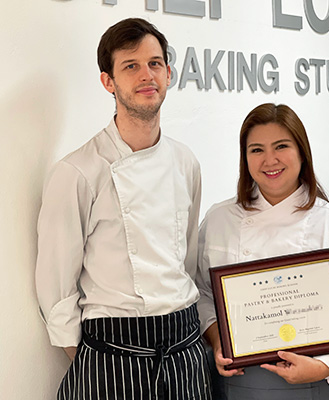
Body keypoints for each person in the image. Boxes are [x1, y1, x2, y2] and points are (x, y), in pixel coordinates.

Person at [36, 18, 211, 400]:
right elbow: (55, 286)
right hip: (113, 353)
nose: (146, 75)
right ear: (108, 81)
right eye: (130, 66)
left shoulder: (186, 162)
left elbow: (188, 259)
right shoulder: (77, 171)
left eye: (155, 63)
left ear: (168, 73)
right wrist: (95, 358)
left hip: (186, 348)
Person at [196, 103, 329, 399]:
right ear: (244, 158)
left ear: (301, 152)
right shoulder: (219, 219)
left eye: (281, 146)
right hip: (242, 382)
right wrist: (218, 339)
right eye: (256, 150)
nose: (269, 160)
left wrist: (323, 368)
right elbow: (203, 294)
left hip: (320, 383)